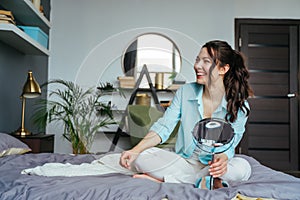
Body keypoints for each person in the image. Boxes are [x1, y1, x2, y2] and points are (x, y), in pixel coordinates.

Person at [119, 40, 253, 189]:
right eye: (197, 60)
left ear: (223, 69)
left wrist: (222, 159)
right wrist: (135, 150)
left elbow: (230, 145)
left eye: (206, 61)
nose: (197, 66)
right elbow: (164, 126)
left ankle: (168, 181)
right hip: (185, 163)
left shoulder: (239, 105)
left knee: (243, 167)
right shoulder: (185, 92)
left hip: (213, 166)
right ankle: (200, 182)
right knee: (143, 156)